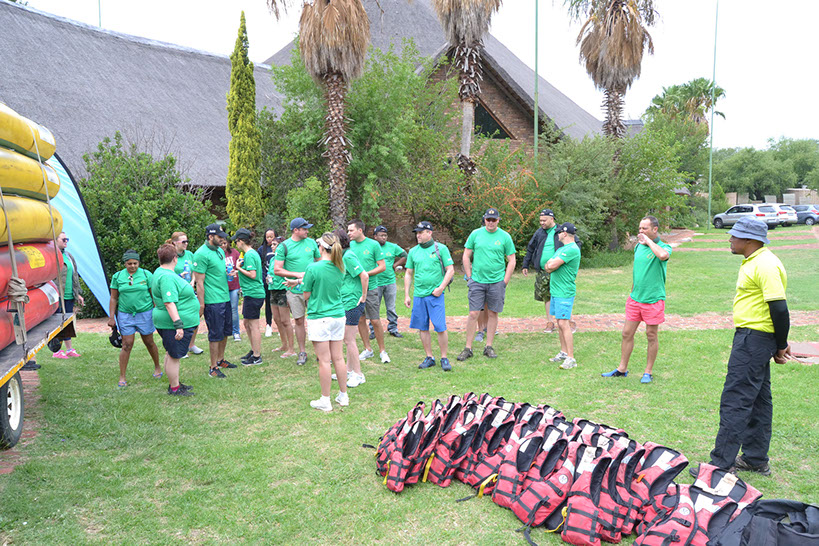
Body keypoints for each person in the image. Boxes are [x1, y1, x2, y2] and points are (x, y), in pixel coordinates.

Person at [701, 217, 793, 476]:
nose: (730, 239)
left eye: (735, 235)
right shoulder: (755, 261)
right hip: (756, 338)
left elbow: (779, 308)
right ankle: (755, 458)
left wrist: (781, 344)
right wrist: (777, 343)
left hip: (754, 340)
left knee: (736, 399)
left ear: (751, 240)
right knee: (759, 401)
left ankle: (721, 465)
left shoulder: (765, 265)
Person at [602, 216, 672, 383]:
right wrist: (632, 291)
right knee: (626, 333)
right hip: (635, 299)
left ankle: (648, 372)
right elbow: (638, 271)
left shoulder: (664, 247)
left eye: (644, 228)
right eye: (640, 228)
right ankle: (622, 369)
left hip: (653, 300)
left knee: (651, 335)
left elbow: (663, 256)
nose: (641, 231)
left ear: (655, 229)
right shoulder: (638, 247)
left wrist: (648, 241)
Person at [457, 208, 516, 361]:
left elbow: (512, 260)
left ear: (498, 220)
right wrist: (469, 277)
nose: (491, 222)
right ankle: (468, 348)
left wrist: (505, 281)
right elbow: (466, 255)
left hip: (496, 282)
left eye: (493, 220)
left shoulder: (505, 236)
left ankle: (488, 346)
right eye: (488, 219)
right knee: (473, 314)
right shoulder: (475, 234)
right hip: (477, 281)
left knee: (492, 313)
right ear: (484, 220)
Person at [299, 232, 349, 412]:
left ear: (321, 247)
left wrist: (302, 283)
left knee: (324, 361)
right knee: (338, 357)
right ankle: (343, 395)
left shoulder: (313, 268)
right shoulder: (340, 267)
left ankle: (325, 400)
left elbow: (306, 294)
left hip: (319, 317)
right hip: (338, 315)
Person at [404, 221, 455, 371]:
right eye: (417, 233)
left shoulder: (441, 249)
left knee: (440, 327)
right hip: (419, 295)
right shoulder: (413, 251)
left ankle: (444, 357)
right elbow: (408, 273)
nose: (418, 235)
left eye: (421, 232)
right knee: (422, 327)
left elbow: (450, 270)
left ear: (429, 233)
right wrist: (407, 294)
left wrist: (441, 288)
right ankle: (429, 357)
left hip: (435, 295)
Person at [107, 250, 162, 387]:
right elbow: (113, 298)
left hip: (145, 313)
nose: (132, 266)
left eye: (135, 263)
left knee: (149, 341)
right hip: (125, 314)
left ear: (139, 263)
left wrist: (157, 310)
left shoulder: (146, 275)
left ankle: (157, 366)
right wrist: (111, 317)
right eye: (129, 263)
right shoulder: (118, 276)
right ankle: (122, 376)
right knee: (127, 344)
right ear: (125, 263)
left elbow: (154, 295)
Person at [151, 243, 198, 396]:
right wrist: (178, 325)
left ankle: (175, 383)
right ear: (175, 258)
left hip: (167, 321)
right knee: (174, 355)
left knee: (170, 352)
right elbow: (169, 303)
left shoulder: (160, 272)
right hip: (171, 323)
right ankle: (175, 388)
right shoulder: (167, 277)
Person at [274, 218, 321, 366]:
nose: (307, 231)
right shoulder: (284, 246)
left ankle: (320, 352)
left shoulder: (312, 243)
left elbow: (321, 263)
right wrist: (297, 275)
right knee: (299, 320)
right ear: (295, 230)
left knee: (316, 319)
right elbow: (277, 269)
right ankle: (302, 352)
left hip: (313, 289)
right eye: (304, 228)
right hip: (294, 290)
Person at [193, 223, 235, 378]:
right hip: (212, 301)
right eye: (219, 236)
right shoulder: (201, 254)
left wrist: (229, 274)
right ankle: (213, 367)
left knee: (225, 331)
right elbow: (199, 282)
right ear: (210, 236)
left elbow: (219, 272)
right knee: (215, 334)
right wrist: (202, 304)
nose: (222, 239)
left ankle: (220, 359)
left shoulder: (220, 251)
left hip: (225, 296)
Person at [347, 220, 389, 364]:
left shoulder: (373, 245)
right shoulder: (349, 246)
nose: (348, 233)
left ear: (360, 230)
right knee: (360, 319)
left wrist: (365, 274)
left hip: (371, 288)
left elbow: (382, 266)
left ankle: (382, 351)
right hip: (355, 289)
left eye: (351, 230)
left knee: (375, 320)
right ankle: (368, 349)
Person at [543, 223, 581, 370]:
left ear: (564, 234)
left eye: (559, 232)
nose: (557, 235)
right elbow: (547, 266)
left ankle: (571, 358)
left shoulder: (572, 249)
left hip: (564, 292)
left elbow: (551, 266)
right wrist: (550, 265)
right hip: (556, 291)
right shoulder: (561, 249)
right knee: (559, 323)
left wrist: (551, 265)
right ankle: (564, 352)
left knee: (564, 323)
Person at [334, 229, 368, 388]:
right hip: (345, 301)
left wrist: (363, 296)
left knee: (349, 340)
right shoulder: (342, 256)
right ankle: (348, 370)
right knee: (347, 339)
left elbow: (364, 275)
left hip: (353, 301)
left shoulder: (348, 256)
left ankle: (358, 374)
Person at [232, 228, 266, 366]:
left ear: (241, 241)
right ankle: (253, 350)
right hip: (250, 293)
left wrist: (238, 268)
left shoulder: (250, 255)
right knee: (247, 323)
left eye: (236, 241)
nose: (235, 244)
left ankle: (257, 356)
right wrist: (237, 272)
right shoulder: (250, 254)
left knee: (253, 325)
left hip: (253, 294)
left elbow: (253, 274)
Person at [522, 209, 558, 333]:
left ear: (552, 219)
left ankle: (566, 320)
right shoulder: (539, 233)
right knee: (546, 296)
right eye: (540, 220)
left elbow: (574, 244)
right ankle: (550, 322)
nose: (542, 223)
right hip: (543, 271)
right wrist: (525, 265)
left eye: (544, 220)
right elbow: (530, 248)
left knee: (560, 295)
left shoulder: (561, 231)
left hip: (559, 271)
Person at [170, 231, 205, 357]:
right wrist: (180, 276)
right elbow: (168, 274)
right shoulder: (171, 256)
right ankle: (181, 347)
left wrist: (193, 281)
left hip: (190, 290)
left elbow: (195, 269)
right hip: (177, 292)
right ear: (174, 243)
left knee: (194, 317)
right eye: (183, 241)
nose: (186, 244)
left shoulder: (190, 254)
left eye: (187, 241)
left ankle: (191, 344)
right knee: (180, 319)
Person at [369, 225, 407, 338]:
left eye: (385, 235)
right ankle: (373, 330)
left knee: (391, 307)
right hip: (375, 282)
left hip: (390, 282)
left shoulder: (392, 247)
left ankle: (393, 328)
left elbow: (404, 255)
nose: (384, 237)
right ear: (375, 236)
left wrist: (395, 265)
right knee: (374, 307)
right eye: (381, 235)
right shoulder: (371, 247)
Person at [53, 232, 84, 359]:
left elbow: (74, 276)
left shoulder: (68, 256)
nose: (66, 241)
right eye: (63, 239)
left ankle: (69, 349)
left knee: (67, 323)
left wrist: (77, 294)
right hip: (57, 296)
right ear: (55, 240)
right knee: (57, 323)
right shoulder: (52, 256)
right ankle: (56, 350)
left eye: (67, 239)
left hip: (69, 295)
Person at [266, 236, 296, 357]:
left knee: (285, 320)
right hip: (272, 290)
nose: (272, 246)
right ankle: (284, 345)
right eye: (272, 244)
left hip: (283, 290)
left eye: (275, 244)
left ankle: (291, 349)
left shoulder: (285, 259)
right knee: (277, 319)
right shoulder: (273, 259)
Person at [258, 228, 278, 338]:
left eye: (271, 236)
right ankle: (268, 325)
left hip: (278, 280)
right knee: (268, 304)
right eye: (267, 237)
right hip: (267, 281)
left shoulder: (280, 248)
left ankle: (280, 326)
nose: (269, 239)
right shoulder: (262, 249)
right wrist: (263, 277)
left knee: (280, 304)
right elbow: (260, 265)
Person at [220, 238, 242, 342]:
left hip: (234, 285)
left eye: (225, 243)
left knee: (234, 309)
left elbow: (241, 266)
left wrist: (235, 271)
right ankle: (224, 331)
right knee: (222, 310)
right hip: (222, 286)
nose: (223, 246)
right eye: (221, 244)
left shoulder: (234, 252)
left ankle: (236, 332)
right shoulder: (217, 254)